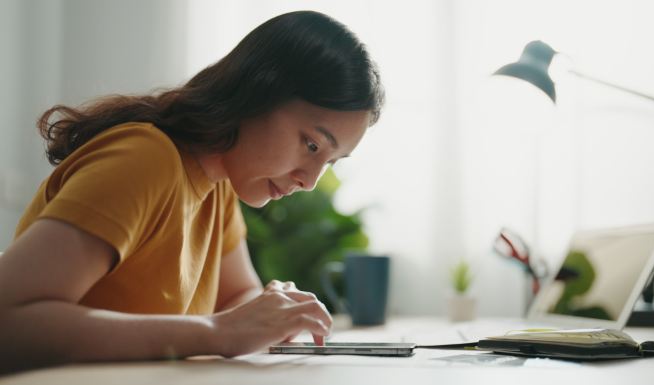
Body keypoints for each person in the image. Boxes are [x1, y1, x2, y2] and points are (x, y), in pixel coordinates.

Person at [0, 10, 384, 372]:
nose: (310, 180)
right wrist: (219, 332)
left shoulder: (217, 183)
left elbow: (237, 297)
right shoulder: (144, 160)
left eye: (331, 162)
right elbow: (7, 321)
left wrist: (270, 312)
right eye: (313, 145)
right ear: (257, 93)